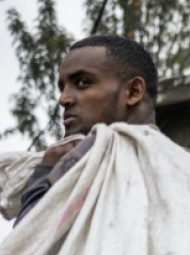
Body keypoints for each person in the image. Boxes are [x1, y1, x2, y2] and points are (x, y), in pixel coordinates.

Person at [14, 35, 159, 224]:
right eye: (62, 88)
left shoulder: (86, 158)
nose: (63, 99)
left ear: (133, 92)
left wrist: (46, 170)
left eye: (83, 83)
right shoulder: (189, 168)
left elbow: (28, 238)